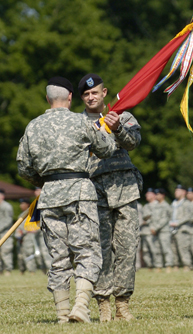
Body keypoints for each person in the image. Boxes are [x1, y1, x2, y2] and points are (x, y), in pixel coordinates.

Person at [16, 76, 117, 324]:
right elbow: (106, 150)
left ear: (48, 99)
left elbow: (23, 166)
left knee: (58, 257)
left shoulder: (33, 126)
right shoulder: (81, 121)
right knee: (87, 252)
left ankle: (62, 314)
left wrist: (46, 183)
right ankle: (81, 307)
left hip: (49, 196)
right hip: (79, 192)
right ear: (71, 97)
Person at [78, 73, 142, 322]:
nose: (91, 97)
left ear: (104, 93)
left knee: (127, 248)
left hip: (125, 187)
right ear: (81, 97)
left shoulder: (122, 115)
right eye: (86, 94)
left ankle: (122, 304)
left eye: (95, 92)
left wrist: (118, 129)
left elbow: (134, 142)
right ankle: (103, 303)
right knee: (100, 249)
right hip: (94, 191)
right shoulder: (78, 123)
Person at [170, 185, 192, 271]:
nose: (176, 193)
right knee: (173, 249)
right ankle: (176, 265)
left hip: (182, 229)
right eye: (175, 191)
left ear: (183, 192)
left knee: (183, 248)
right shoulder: (173, 203)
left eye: (178, 191)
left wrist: (178, 222)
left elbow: (188, 216)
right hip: (172, 229)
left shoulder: (186, 203)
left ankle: (187, 265)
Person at [150, 188, 173, 273]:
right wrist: (152, 227)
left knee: (166, 249)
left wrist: (155, 227)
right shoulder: (155, 206)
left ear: (163, 195)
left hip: (164, 231)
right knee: (156, 249)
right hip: (155, 231)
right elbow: (151, 218)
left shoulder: (166, 206)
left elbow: (165, 219)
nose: (156, 196)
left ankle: (168, 265)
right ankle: (158, 266)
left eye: (158, 194)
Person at [15, 198, 39, 274]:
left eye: (23, 204)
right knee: (20, 255)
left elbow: (37, 226)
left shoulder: (32, 214)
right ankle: (22, 270)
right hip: (20, 238)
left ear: (27, 205)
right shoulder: (20, 215)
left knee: (29, 253)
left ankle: (31, 270)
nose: (21, 205)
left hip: (28, 237)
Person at [33, 187, 52, 273]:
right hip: (38, 232)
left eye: (38, 190)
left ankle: (50, 268)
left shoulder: (48, 200)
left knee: (47, 250)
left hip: (48, 229)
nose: (36, 192)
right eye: (35, 190)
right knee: (41, 251)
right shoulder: (36, 202)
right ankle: (45, 269)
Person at [141, 188, 158, 270]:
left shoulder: (157, 205)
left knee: (154, 249)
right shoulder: (146, 206)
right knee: (145, 250)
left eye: (149, 194)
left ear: (154, 195)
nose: (146, 195)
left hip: (153, 231)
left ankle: (157, 264)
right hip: (144, 231)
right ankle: (149, 265)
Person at [0, 189, 14, 276]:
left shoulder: (7, 206)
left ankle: (8, 270)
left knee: (6, 252)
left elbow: (8, 220)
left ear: (2, 196)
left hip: (5, 233)